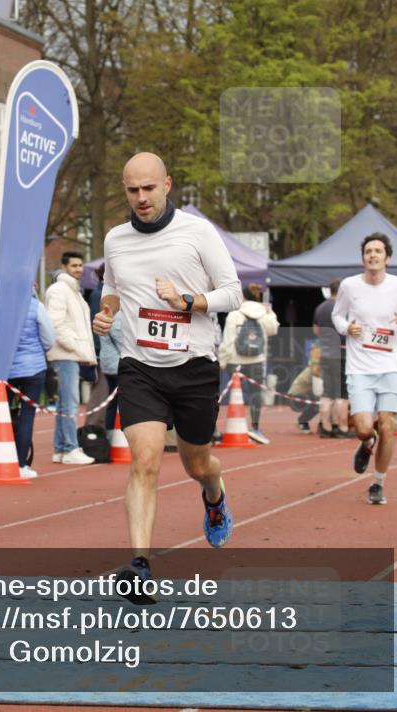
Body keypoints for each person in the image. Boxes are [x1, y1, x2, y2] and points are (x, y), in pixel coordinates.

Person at [93, 152, 242, 592]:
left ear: (167, 185)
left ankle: (213, 492)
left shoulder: (197, 232)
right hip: (140, 366)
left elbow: (232, 294)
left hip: (194, 366)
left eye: (148, 188)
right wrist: (105, 314)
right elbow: (112, 289)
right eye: (132, 190)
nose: (140, 198)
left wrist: (188, 302)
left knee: (197, 463)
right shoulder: (115, 239)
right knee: (145, 461)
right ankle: (140, 566)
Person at [332, 232, 397, 505]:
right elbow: (337, 315)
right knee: (364, 427)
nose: (373, 255)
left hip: (391, 365)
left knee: (389, 426)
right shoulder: (349, 286)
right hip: (360, 368)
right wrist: (347, 328)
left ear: (387, 258)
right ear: (363, 258)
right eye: (368, 251)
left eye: (378, 251)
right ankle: (367, 442)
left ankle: (378, 483)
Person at [45, 251, 97, 465]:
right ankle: (69, 448)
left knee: (65, 403)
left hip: (72, 354)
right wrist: (74, 346)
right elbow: (55, 323)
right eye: (74, 265)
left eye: (80, 265)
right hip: (67, 354)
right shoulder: (59, 291)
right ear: (64, 267)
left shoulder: (74, 291)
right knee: (70, 403)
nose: (78, 269)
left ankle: (60, 448)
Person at [218, 286, 279, 444]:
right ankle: (255, 427)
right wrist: (270, 312)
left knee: (232, 395)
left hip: (235, 361)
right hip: (257, 359)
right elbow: (273, 330)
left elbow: (228, 340)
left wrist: (222, 360)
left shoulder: (234, 314)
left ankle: (225, 428)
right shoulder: (264, 314)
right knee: (256, 395)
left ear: (242, 296)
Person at [8, 288, 56, 477]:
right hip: (34, 367)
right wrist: (38, 350)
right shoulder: (36, 306)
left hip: (8, 368)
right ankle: (21, 465)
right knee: (27, 417)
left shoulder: (3, 307)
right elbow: (49, 338)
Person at [314, 279, 351, 438]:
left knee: (327, 392)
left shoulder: (320, 307)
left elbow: (316, 330)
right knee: (343, 393)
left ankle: (326, 427)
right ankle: (341, 427)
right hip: (343, 353)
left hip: (326, 353)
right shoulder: (346, 308)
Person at [99, 309, 122, 434]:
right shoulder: (117, 317)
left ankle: (109, 434)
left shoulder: (103, 316)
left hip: (107, 363)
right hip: (117, 364)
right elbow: (121, 341)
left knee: (112, 402)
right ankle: (120, 436)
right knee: (123, 403)